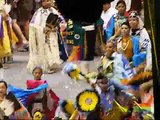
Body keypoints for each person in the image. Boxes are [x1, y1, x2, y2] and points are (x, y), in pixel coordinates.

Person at [27, 0, 63, 74]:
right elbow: (33, 25)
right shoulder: (38, 13)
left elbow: (59, 21)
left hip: (52, 34)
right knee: (44, 50)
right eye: (46, 1)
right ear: (42, 3)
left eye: (49, 1)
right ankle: (45, 66)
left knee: (52, 49)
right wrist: (42, 29)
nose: (48, 2)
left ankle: (52, 63)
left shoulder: (54, 11)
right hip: (42, 36)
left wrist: (53, 28)